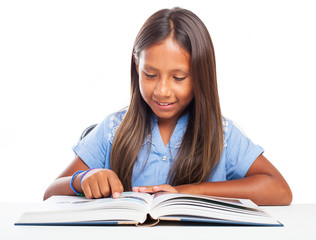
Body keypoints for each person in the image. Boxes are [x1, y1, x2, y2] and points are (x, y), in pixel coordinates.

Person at [43, 7, 292, 205]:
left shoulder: (221, 135)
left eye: (179, 78)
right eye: (150, 75)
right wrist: (83, 179)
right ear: (136, 66)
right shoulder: (112, 129)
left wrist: (186, 193)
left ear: (200, 75)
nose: (162, 90)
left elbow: (279, 190)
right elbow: (50, 193)